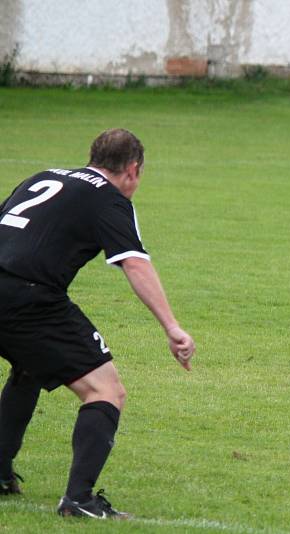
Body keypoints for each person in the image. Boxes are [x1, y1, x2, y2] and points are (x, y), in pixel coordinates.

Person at [0, 129, 195, 517]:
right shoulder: (109, 197)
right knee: (106, 390)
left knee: (31, 367)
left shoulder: (45, 176)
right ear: (133, 170)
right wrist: (172, 327)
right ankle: (79, 500)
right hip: (28, 297)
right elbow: (134, 262)